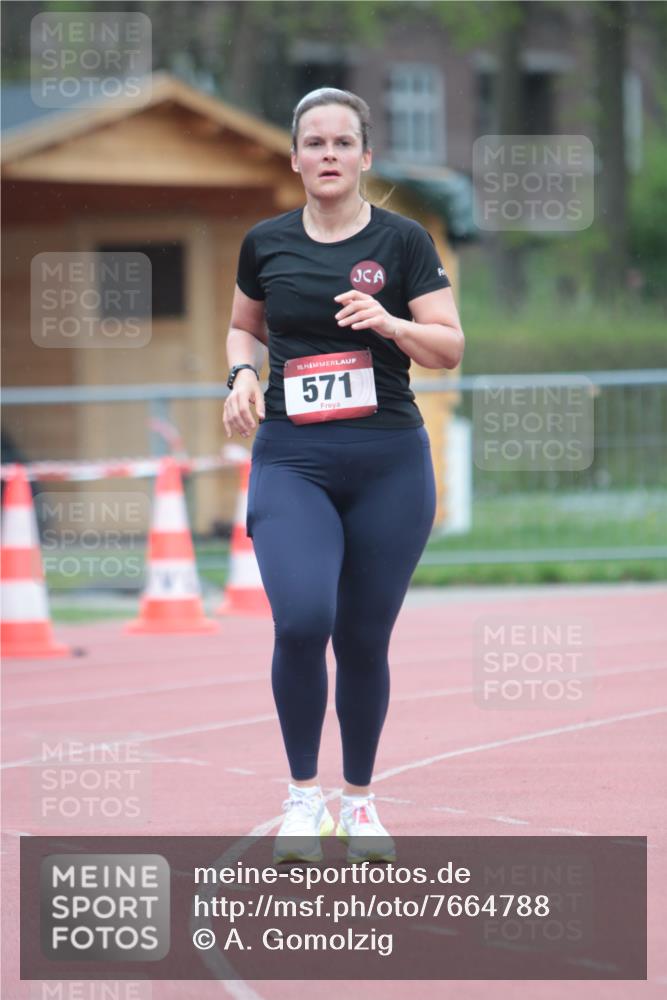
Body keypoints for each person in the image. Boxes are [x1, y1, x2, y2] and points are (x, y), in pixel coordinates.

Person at [223, 88, 464, 864]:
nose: (328, 155)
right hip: (293, 457)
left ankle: (357, 805)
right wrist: (239, 376)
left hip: (388, 461)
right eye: (314, 142)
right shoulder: (265, 242)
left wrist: (389, 321)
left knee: (363, 639)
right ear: (294, 157)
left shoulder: (403, 243)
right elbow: (242, 325)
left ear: (364, 157)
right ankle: (302, 798)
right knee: (301, 621)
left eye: (342, 142)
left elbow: (449, 347)